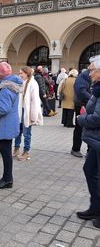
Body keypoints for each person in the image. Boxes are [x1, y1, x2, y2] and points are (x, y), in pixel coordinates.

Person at [0, 62, 23, 189]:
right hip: (10, 124)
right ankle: (6, 177)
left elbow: (3, 109)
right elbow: (2, 95)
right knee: (5, 151)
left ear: (0, 75)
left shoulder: (6, 88)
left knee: (6, 153)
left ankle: (8, 180)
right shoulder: (10, 84)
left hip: (6, 125)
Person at [76, 55, 100, 228]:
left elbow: (98, 118)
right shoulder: (97, 88)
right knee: (89, 169)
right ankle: (95, 207)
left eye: (92, 69)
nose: (89, 73)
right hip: (95, 140)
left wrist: (81, 118)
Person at [14, 66, 43, 161]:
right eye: (19, 73)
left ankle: (26, 152)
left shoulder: (33, 84)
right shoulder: (22, 82)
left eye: (21, 73)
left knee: (27, 133)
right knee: (18, 131)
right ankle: (16, 148)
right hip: (20, 111)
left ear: (27, 73)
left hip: (28, 112)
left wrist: (33, 116)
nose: (20, 75)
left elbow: (35, 101)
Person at [71, 68, 92, 158]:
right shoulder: (85, 75)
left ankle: (90, 151)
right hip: (82, 104)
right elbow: (80, 90)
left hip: (89, 104)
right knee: (80, 127)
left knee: (92, 127)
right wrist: (93, 99)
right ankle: (75, 149)